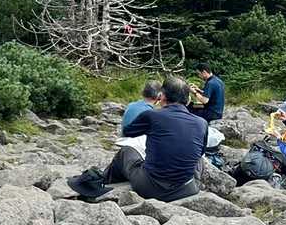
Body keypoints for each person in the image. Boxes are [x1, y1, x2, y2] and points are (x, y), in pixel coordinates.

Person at [70, 76, 205, 201]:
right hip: (187, 189)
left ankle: (100, 181)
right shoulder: (202, 123)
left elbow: (128, 131)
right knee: (198, 156)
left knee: (126, 151)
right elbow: (199, 153)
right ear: (188, 100)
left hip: (150, 188)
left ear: (162, 96)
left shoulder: (152, 115)